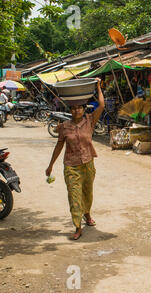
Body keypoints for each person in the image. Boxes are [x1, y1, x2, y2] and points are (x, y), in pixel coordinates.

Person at [45, 78, 104, 240]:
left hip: (88, 164)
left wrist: (98, 86)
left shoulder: (90, 121)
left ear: (84, 109)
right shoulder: (64, 127)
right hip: (71, 166)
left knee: (87, 193)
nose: (76, 111)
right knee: (74, 195)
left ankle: (87, 215)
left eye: (79, 108)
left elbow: (102, 105)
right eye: (73, 108)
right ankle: (77, 227)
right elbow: (58, 147)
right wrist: (50, 165)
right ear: (70, 110)